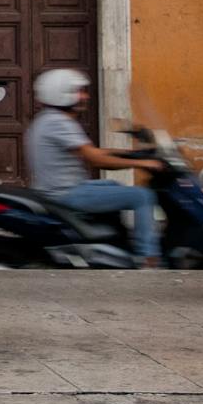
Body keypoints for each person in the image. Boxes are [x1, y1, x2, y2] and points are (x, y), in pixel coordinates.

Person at [24, 67, 166, 265]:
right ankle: (147, 257)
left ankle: (113, 243)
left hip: (60, 189)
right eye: (79, 91)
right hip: (67, 193)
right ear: (61, 94)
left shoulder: (47, 120)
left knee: (114, 187)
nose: (85, 97)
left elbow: (91, 151)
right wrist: (142, 163)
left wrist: (130, 153)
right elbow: (96, 160)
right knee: (143, 196)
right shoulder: (59, 123)